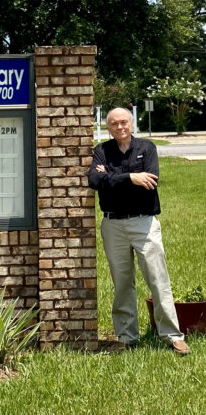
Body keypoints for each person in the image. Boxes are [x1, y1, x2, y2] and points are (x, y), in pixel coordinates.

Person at [88, 107, 190, 355]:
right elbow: (94, 181)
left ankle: (172, 335)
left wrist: (112, 177)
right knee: (122, 282)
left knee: (157, 279)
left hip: (144, 223)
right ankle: (126, 336)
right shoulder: (101, 151)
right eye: (114, 124)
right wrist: (131, 178)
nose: (120, 127)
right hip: (113, 225)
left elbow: (150, 182)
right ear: (108, 127)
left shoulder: (147, 148)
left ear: (132, 124)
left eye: (124, 122)